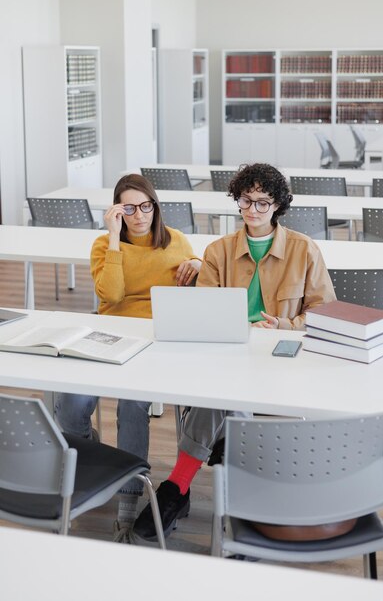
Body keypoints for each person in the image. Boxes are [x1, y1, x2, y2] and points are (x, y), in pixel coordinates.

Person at [134, 162, 337, 542]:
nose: (254, 210)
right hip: (229, 352)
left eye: (263, 202)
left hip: (282, 357)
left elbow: (324, 312)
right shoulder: (218, 251)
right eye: (246, 201)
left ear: (278, 205)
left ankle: (177, 487)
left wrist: (285, 325)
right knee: (224, 391)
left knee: (221, 398)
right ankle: (230, 491)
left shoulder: (304, 249)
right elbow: (206, 313)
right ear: (237, 201)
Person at [54, 173, 201, 542]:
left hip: (156, 339)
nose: (139, 215)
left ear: (155, 206)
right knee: (70, 403)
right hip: (109, 333)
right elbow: (112, 296)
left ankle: (128, 500)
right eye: (130, 208)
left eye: (146, 206)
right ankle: (91, 456)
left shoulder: (177, 242)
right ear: (118, 211)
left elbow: (201, 282)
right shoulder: (104, 245)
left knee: (133, 407)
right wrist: (116, 239)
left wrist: (198, 264)